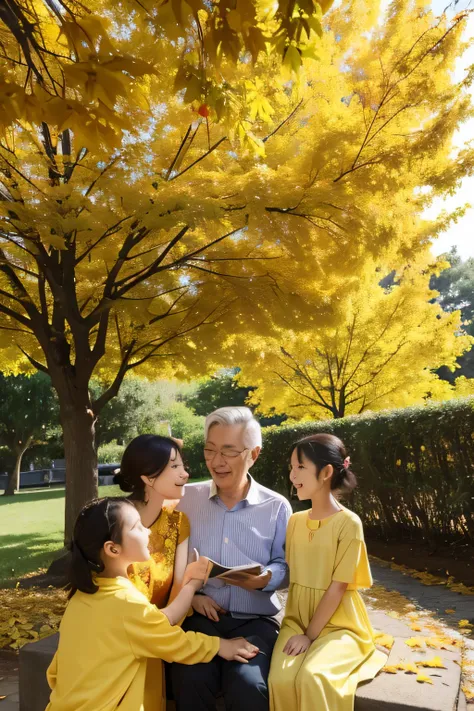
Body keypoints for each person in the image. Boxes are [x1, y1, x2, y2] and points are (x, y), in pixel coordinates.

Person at [45, 497, 259, 711]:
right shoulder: (125, 602)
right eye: (137, 527)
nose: (147, 531)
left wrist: (191, 585)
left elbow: (55, 672)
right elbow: (175, 643)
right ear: (113, 549)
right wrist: (221, 645)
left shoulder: (82, 597)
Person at [172, 406, 292, 711]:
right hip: (199, 619)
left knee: (248, 685)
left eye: (228, 451)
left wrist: (266, 578)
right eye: (209, 450)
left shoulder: (276, 507)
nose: (216, 461)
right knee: (189, 677)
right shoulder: (186, 500)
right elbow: (170, 560)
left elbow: (284, 566)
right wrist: (193, 596)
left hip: (256, 621)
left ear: (253, 454)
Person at [268, 433, 387, 711]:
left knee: (314, 676)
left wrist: (309, 636)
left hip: (340, 624)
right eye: (291, 468)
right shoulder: (295, 522)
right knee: (281, 680)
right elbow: (289, 573)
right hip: (296, 622)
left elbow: (338, 587)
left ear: (327, 472)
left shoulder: (349, 523)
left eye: (300, 467)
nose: (292, 475)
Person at [115, 434, 190, 607]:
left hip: (164, 625)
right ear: (148, 478)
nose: (185, 474)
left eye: (183, 466)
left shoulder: (177, 523)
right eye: (175, 466)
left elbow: (179, 585)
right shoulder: (113, 521)